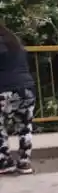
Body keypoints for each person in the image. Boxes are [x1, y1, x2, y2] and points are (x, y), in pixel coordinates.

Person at [0, 23, 36, 175]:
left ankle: (4, 161)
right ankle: (24, 162)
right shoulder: (15, 42)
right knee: (25, 125)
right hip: (27, 88)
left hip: (4, 88)